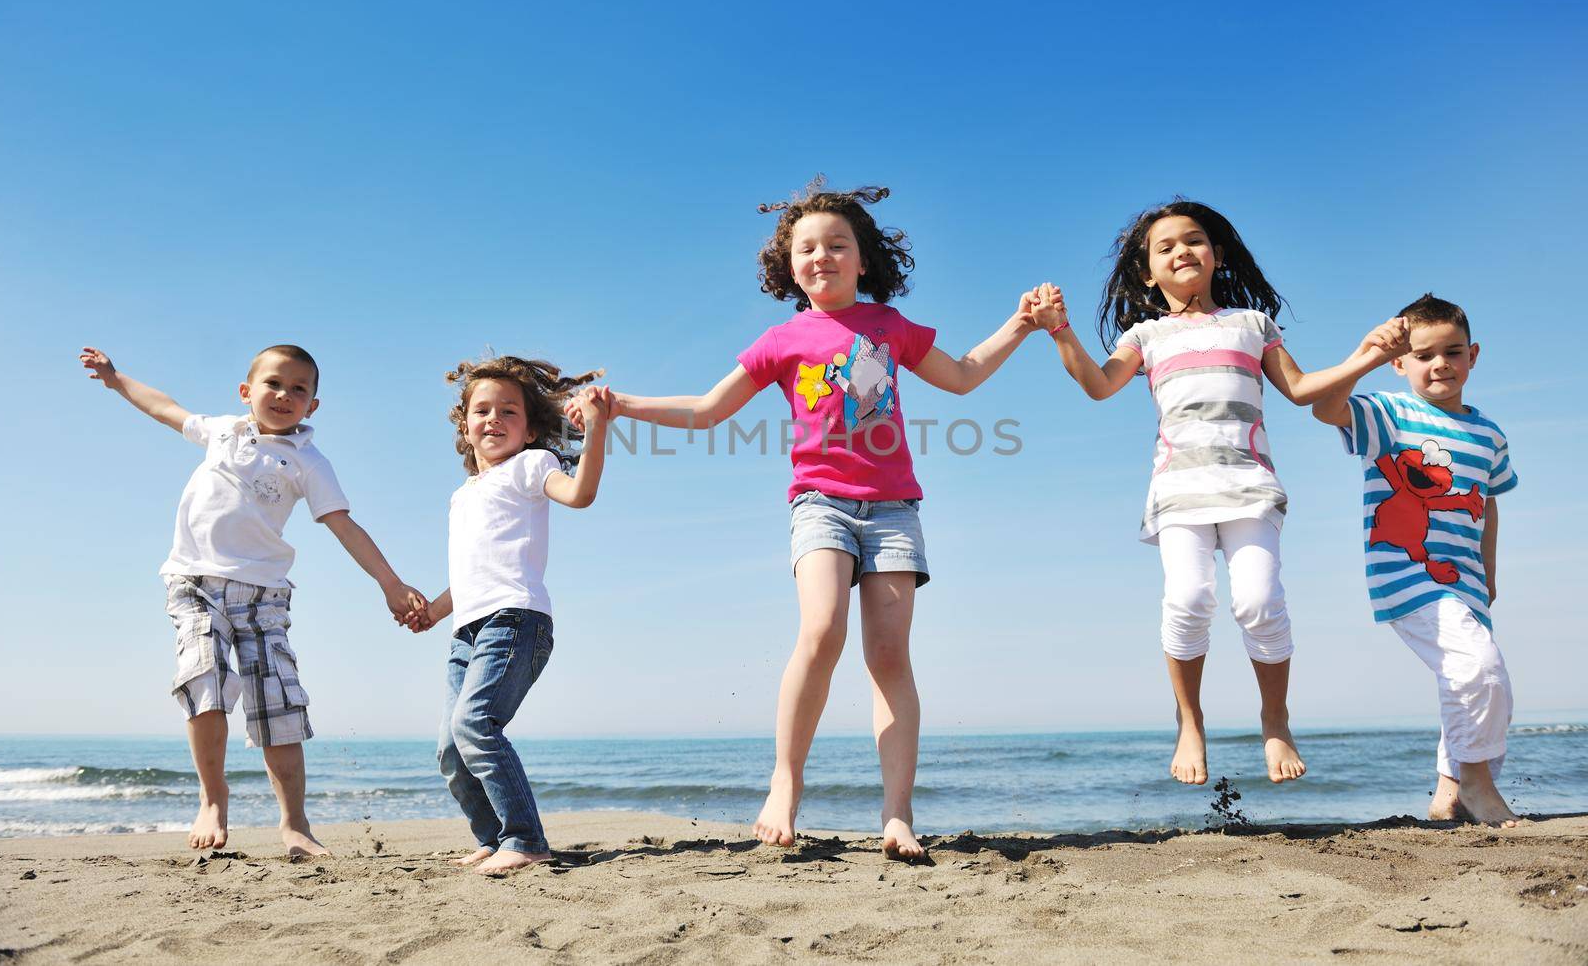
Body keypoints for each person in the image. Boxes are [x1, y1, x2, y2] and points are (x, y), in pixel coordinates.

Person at [571, 179, 1038, 859]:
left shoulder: (890, 328)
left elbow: (963, 374)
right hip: (820, 503)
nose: (821, 256)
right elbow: (706, 409)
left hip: (893, 510)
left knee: (887, 655)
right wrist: (625, 404)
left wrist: (1020, 324)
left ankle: (897, 814)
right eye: (807, 248)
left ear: (862, 259)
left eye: (836, 245)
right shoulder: (783, 339)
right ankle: (784, 786)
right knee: (821, 629)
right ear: (790, 265)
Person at [1028, 200, 1403, 785]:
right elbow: (1099, 385)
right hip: (1179, 490)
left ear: (1217, 255)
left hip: (1250, 486)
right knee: (1189, 599)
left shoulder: (1253, 325)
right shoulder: (1146, 336)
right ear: (1148, 272)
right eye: (1165, 247)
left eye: (1194, 240)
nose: (1182, 251)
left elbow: (1302, 390)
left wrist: (1366, 358)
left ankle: (1274, 719)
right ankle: (1190, 720)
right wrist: (1060, 332)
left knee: (1258, 601)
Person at [79, 344, 425, 856]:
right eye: (274, 384)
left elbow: (342, 524)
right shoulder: (222, 431)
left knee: (279, 702)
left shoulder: (309, 461)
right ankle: (213, 799)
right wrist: (115, 379)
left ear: (313, 406)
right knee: (206, 678)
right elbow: (163, 406)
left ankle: (294, 824)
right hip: (195, 581)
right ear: (247, 392)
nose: (285, 395)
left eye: (299, 389)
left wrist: (390, 584)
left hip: (263, 595)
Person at [1311, 294, 1521, 826]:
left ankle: (1449, 792)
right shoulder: (1388, 412)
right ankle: (1477, 783)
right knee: (1479, 670)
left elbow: (1486, 506)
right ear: (1401, 363)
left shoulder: (1489, 435)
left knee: (1472, 679)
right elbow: (1325, 408)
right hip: (1405, 571)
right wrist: (1368, 354)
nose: (1440, 364)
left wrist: (1489, 572)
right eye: (1424, 354)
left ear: (1473, 355)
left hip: (1466, 580)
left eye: (1452, 352)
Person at [406, 356, 610, 873]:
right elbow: (474, 571)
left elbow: (580, 494)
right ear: (465, 424)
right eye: (482, 410)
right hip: (465, 629)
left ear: (532, 427)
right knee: (451, 748)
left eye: (509, 411)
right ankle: (495, 837)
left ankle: (527, 839)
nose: (493, 419)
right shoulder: (462, 495)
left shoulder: (532, 465)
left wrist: (600, 429)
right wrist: (434, 610)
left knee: (477, 723)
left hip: (516, 620)